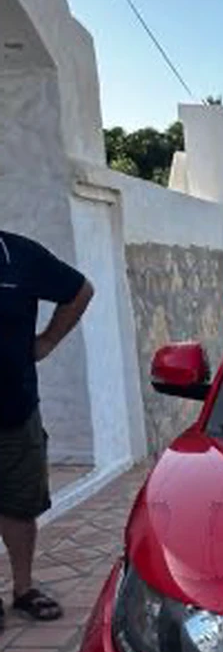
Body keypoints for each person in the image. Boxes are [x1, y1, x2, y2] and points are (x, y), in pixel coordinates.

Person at [0, 230, 94, 630]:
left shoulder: (19, 254)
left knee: (20, 505)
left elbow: (79, 290)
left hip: (15, 410)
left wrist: (48, 341)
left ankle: (24, 590)